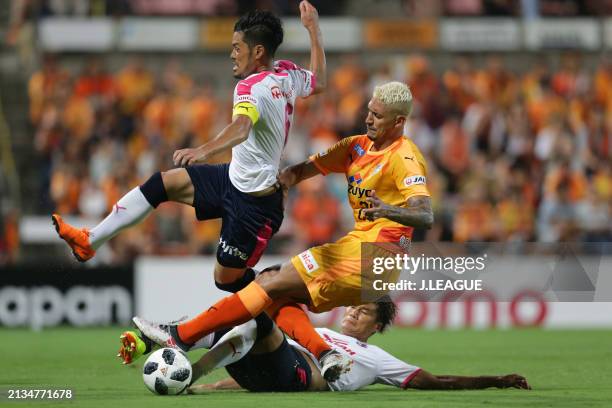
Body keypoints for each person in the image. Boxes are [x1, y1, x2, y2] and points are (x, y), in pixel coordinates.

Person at [128, 81, 435, 376]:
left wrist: (388, 210)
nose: (368, 118)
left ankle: (180, 335)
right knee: (274, 292)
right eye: (369, 110)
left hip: (373, 255)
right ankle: (325, 354)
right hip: (359, 254)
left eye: (377, 115)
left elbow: (425, 214)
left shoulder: (404, 157)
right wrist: (281, 186)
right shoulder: (356, 147)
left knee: (269, 284)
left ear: (398, 122)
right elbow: (299, 171)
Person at [131, 300, 530, 393]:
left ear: (376, 326)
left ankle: (179, 341)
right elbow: (261, 378)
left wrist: (496, 380)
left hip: (304, 375)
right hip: (276, 371)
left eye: (365, 312)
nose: (354, 312)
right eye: (354, 305)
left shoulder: (377, 359)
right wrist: (207, 389)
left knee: (268, 310)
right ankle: (184, 358)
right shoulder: (315, 330)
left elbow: (436, 381)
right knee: (252, 317)